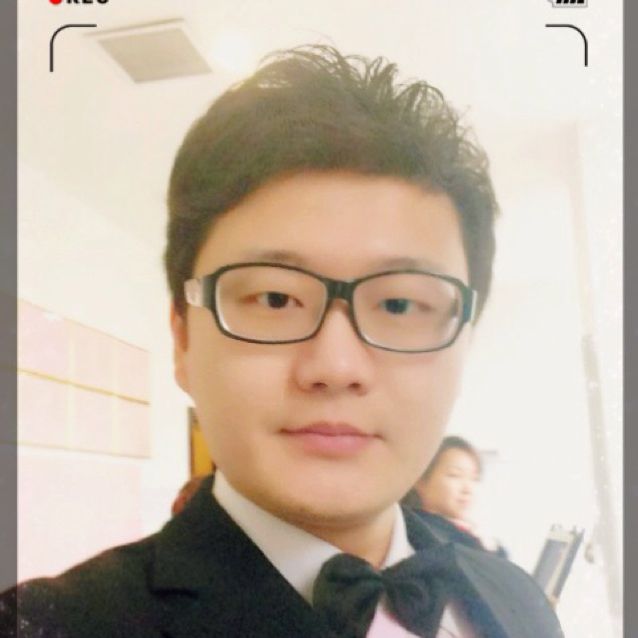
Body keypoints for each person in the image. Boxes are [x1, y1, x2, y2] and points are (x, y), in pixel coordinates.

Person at [1, 45, 563, 637]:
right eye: (274, 298)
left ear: (462, 344)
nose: (337, 366)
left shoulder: (515, 594)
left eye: (400, 304)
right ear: (182, 340)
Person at [403, 436, 509, 559]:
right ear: (420, 480)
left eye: (475, 479)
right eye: (455, 475)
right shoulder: (418, 532)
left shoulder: (466, 531)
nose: (468, 489)